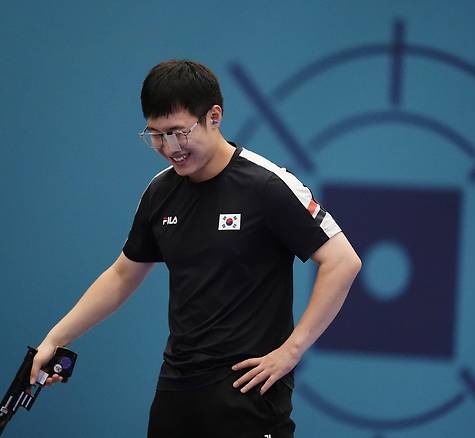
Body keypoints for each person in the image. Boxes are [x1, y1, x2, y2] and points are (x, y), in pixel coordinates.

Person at [30, 60, 361, 437]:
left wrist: (291, 351)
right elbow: (122, 275)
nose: (169, 148)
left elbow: (342, 261)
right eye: (155, 135)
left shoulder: (267, 185)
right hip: (176, 390)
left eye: (177, 132)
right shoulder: (160, 192)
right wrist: (55, 339)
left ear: (214, 117)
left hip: (248, 393)